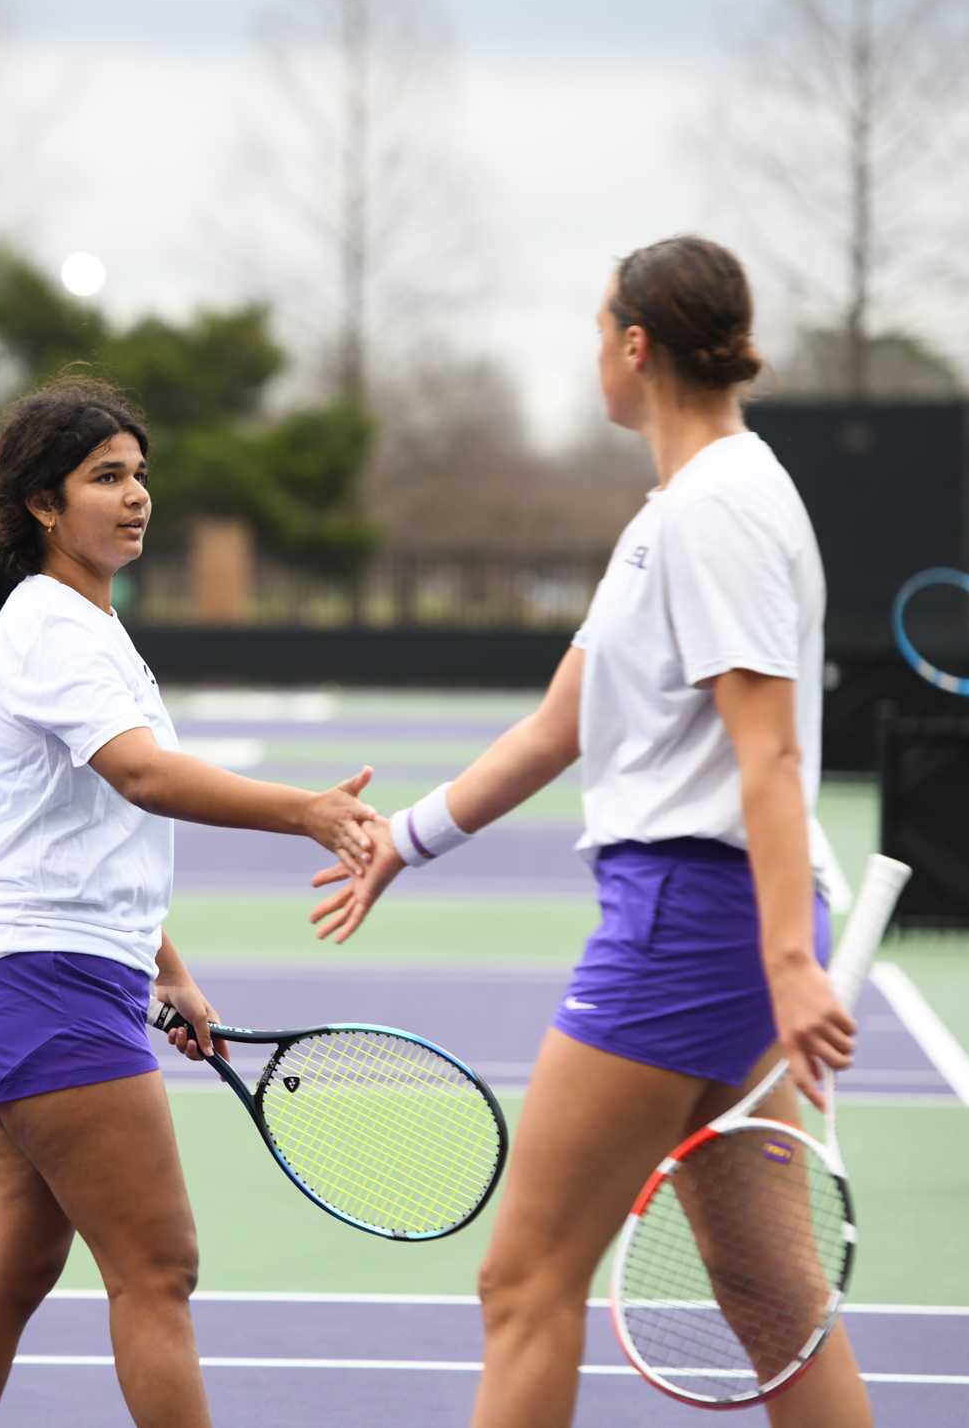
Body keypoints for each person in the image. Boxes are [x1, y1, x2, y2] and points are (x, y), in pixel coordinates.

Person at [310, 237, 872, 1427]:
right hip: (720, 926)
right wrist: (398, 842)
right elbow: (562, 722)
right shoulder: (681, 509)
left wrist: (785, 960)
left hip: (694, 928)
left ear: (633, 345)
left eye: (594, 332)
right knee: (772, 1296)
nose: (590, 358)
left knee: (523, 1279)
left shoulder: (714, 508)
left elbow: (765, 748)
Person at [0, 379, 380, 1428]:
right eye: (105, 478)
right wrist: (302, 812)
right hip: (42, 988)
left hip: (7, 984)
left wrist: (163, 967)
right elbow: (145, 780)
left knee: (8, 1279)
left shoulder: (78, 623)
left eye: (139, 476)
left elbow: (87, 829)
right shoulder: (53, 630)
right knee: (157, 1271)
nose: (135, 498)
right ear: (44, 504)